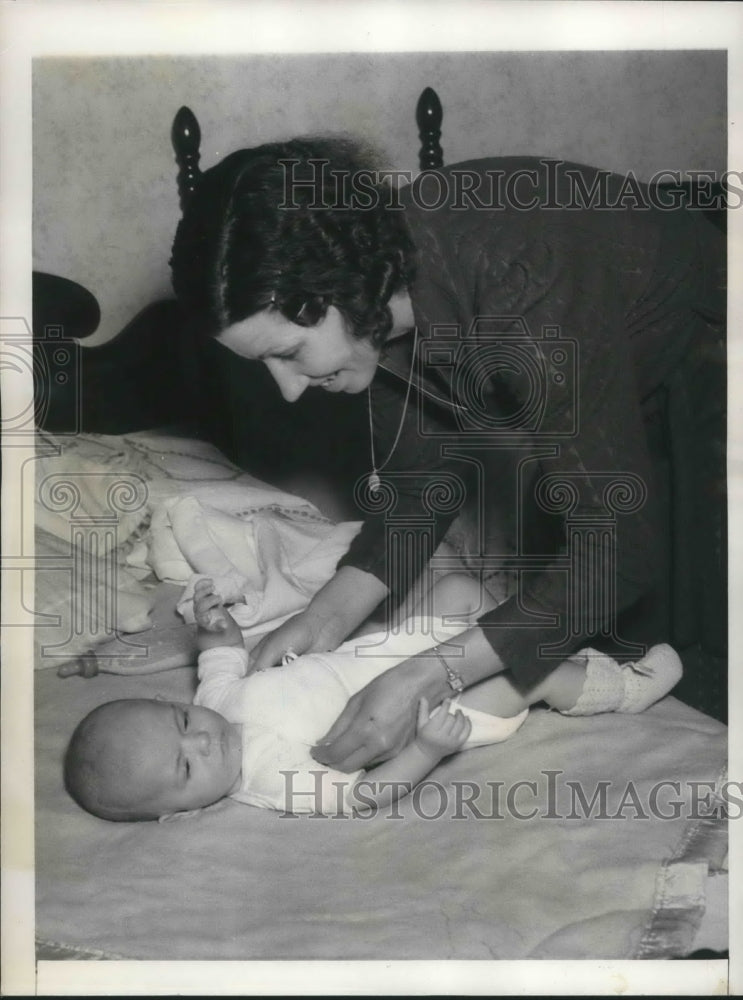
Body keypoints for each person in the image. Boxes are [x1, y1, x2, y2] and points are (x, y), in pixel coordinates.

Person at [169, 138, 725, 771]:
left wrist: (429, 676)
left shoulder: (520, 285)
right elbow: (418, 483)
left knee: (710, 635)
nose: (289, 390)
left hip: (715, 351)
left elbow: (618, 548)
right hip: (632, 363)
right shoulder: (370, 285)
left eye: (290, 353)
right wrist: (325, 620)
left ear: (337, 292)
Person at [63, 576, 682, 821]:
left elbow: (220, 655)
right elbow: (363, 794)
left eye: (180, 718)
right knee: (532, 671)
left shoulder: (219, 702)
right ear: (183, 810)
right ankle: (625, 691)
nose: (201, 735)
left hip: (390, 657)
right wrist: (428, 752)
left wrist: (212, 622)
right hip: (433, 716)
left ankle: (524, 627)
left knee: (459, 588)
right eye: (187, 764)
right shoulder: (268, 778)